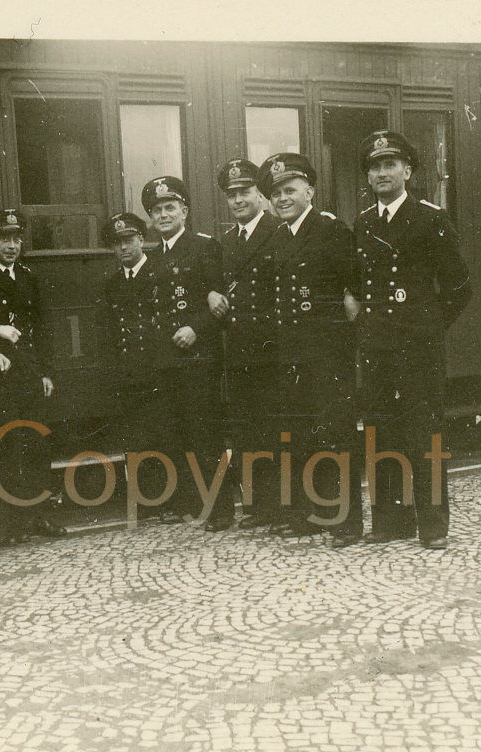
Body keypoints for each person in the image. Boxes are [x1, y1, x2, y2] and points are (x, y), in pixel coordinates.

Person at [353, 130, 472, 550]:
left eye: (390, 164)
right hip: (377, 349)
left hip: (418, 350)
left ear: (407, 171)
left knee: (425, 434)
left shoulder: (430, 219)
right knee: (380, 431)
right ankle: (390, 521)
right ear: (368, 177)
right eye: (374, 167)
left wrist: (428, 328)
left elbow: (459, 288)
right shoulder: (364, 223)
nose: (382, 173)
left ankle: (433, 526)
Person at [258, 152, 364, 545]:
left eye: (290, 190)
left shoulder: (330, 230)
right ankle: (311, 516)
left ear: (310, 191)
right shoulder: (279, 237)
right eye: (276, 193)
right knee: (301, 435)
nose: (282, 198)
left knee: (336, 434)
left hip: (327, 354)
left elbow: (356, 290)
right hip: (292, 354)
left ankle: (347, 521)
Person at [141, 175, 233, 530]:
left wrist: (197, 328)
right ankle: (193, 503)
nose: (164, 215)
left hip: (199, 358)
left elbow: (221, 301)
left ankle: (220, 508)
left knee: (205, 433)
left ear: (184, 211)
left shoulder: (204, 247)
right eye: (157, 211)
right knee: (177, 432)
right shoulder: (154, 258)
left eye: (170, 208)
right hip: (167, 359)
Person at [0, 208, 65, 542]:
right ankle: (7, 523)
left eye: (16, 239)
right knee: (5, 447)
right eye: (4, 238)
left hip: (30, 373)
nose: (12, 245)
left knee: (35, 445)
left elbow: (42, 329)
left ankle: (37, 515)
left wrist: (46, 372)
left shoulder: (28, 277)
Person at [207, 158, 282, 530]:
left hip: (273, 349)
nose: (237, 200)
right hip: (239, 351)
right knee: (248, 430)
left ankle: (282, 506)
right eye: (231, 194)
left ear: (260, 194)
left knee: (276, 427)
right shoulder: (225, 243)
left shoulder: (278, 230)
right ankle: (258, 506)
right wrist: (210, 293)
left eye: (245, 192)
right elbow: (215, 285)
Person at [98, 211, 174, 520]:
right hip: (128, 373)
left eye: (129, 240)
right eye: (117, 244)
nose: (124, 248)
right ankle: (147, 500)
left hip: (158, 370)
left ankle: (169, 501)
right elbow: (108, 333)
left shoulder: (160, 273)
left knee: (163, 434)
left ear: (141, 240)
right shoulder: (112, 283)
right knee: (135, 436)